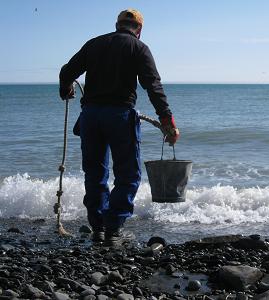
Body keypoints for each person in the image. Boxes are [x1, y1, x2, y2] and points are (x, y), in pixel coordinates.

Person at [59, 9, 179, 246]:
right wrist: (167, 120)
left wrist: (66, 89)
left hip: (90, 117)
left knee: (95, 173)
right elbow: (152, 85)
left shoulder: (94, 44)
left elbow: (67, 72)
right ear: (140, 30)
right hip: (120, 116)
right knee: (127, 173)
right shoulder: (139, 48)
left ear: (117, 25)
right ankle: (113, 229)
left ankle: (98, 229)